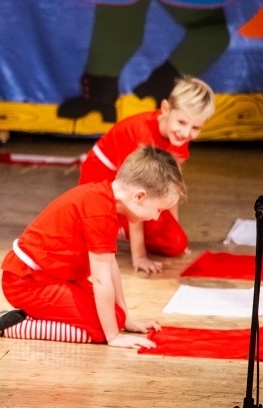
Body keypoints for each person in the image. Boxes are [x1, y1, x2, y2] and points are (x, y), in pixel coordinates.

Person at [0, 146, 186, 349]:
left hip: (49, 278)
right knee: (100, 330)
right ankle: (12, 326)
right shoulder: (99, 211)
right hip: (27, 283)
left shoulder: (105, 201)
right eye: (158, 210)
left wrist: (126, 318)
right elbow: (101, 279)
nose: (157, 217)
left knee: (115, 316)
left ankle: (102, 322)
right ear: (139, 197)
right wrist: (113, 337)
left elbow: (111, 268)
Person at [78, 75, 214, 273]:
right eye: (182, 122)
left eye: (195, 128)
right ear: (166, 109)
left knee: (176, 243)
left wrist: (174, 228)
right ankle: (107, 226)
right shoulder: (141, 136)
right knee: (140, 213)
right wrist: (139, 256)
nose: (186, 133)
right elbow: (134, 197)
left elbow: (171, 186)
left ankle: (116, 229)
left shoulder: (178, 138)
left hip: (134, 188)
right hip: (103, 186)